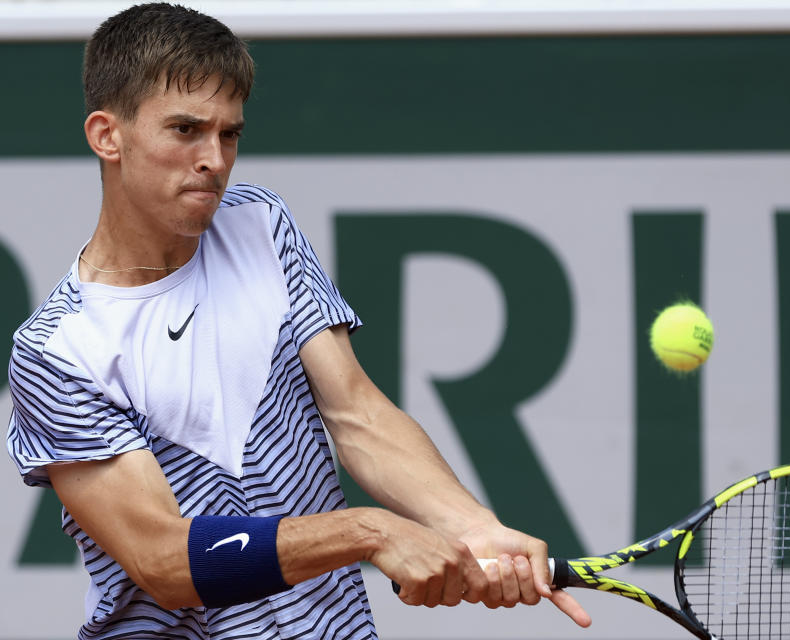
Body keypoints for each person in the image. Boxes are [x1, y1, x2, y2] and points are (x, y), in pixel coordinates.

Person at [5, 3, 590, 639]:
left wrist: (472, 526)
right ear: (106, 135)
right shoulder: (57, 350)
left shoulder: (260, 224)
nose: (215, 159)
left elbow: (357, 414)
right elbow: (164, 559)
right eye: (185, 130)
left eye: (229, 134)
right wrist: (369, 531)